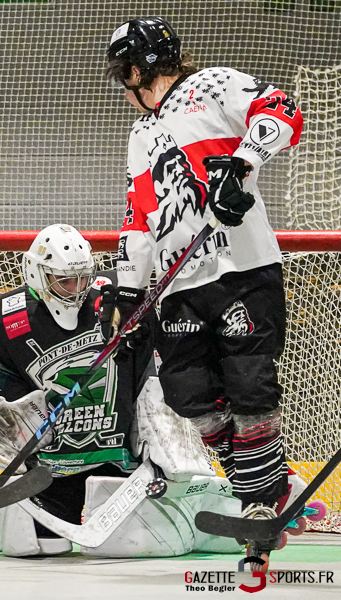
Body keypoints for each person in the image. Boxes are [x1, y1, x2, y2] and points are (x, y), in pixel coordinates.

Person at [104, 17, 303, 569]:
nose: (123, 86)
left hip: (242, 268)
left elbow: (282, 110)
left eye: (124, 74)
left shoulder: (212, 85)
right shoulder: (140, 136)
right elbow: (138, 218)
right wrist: (126, 291)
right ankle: (266, 477)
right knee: (189, 397)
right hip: (179, 288)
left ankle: (262, 500)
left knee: (248, 385)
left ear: (138, 69)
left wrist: (243, 164)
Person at [0, 224, 156, 556]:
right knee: (37, 547)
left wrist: (153, 436)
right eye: (64, 280)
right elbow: (3, 390)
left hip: (117, 462)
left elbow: (149, 374)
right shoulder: (6, 319)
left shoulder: (117, 300)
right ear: (37, 275)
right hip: (53, 468)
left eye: (82, 278)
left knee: (123, 548)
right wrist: (0, 424)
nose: (76, 289)